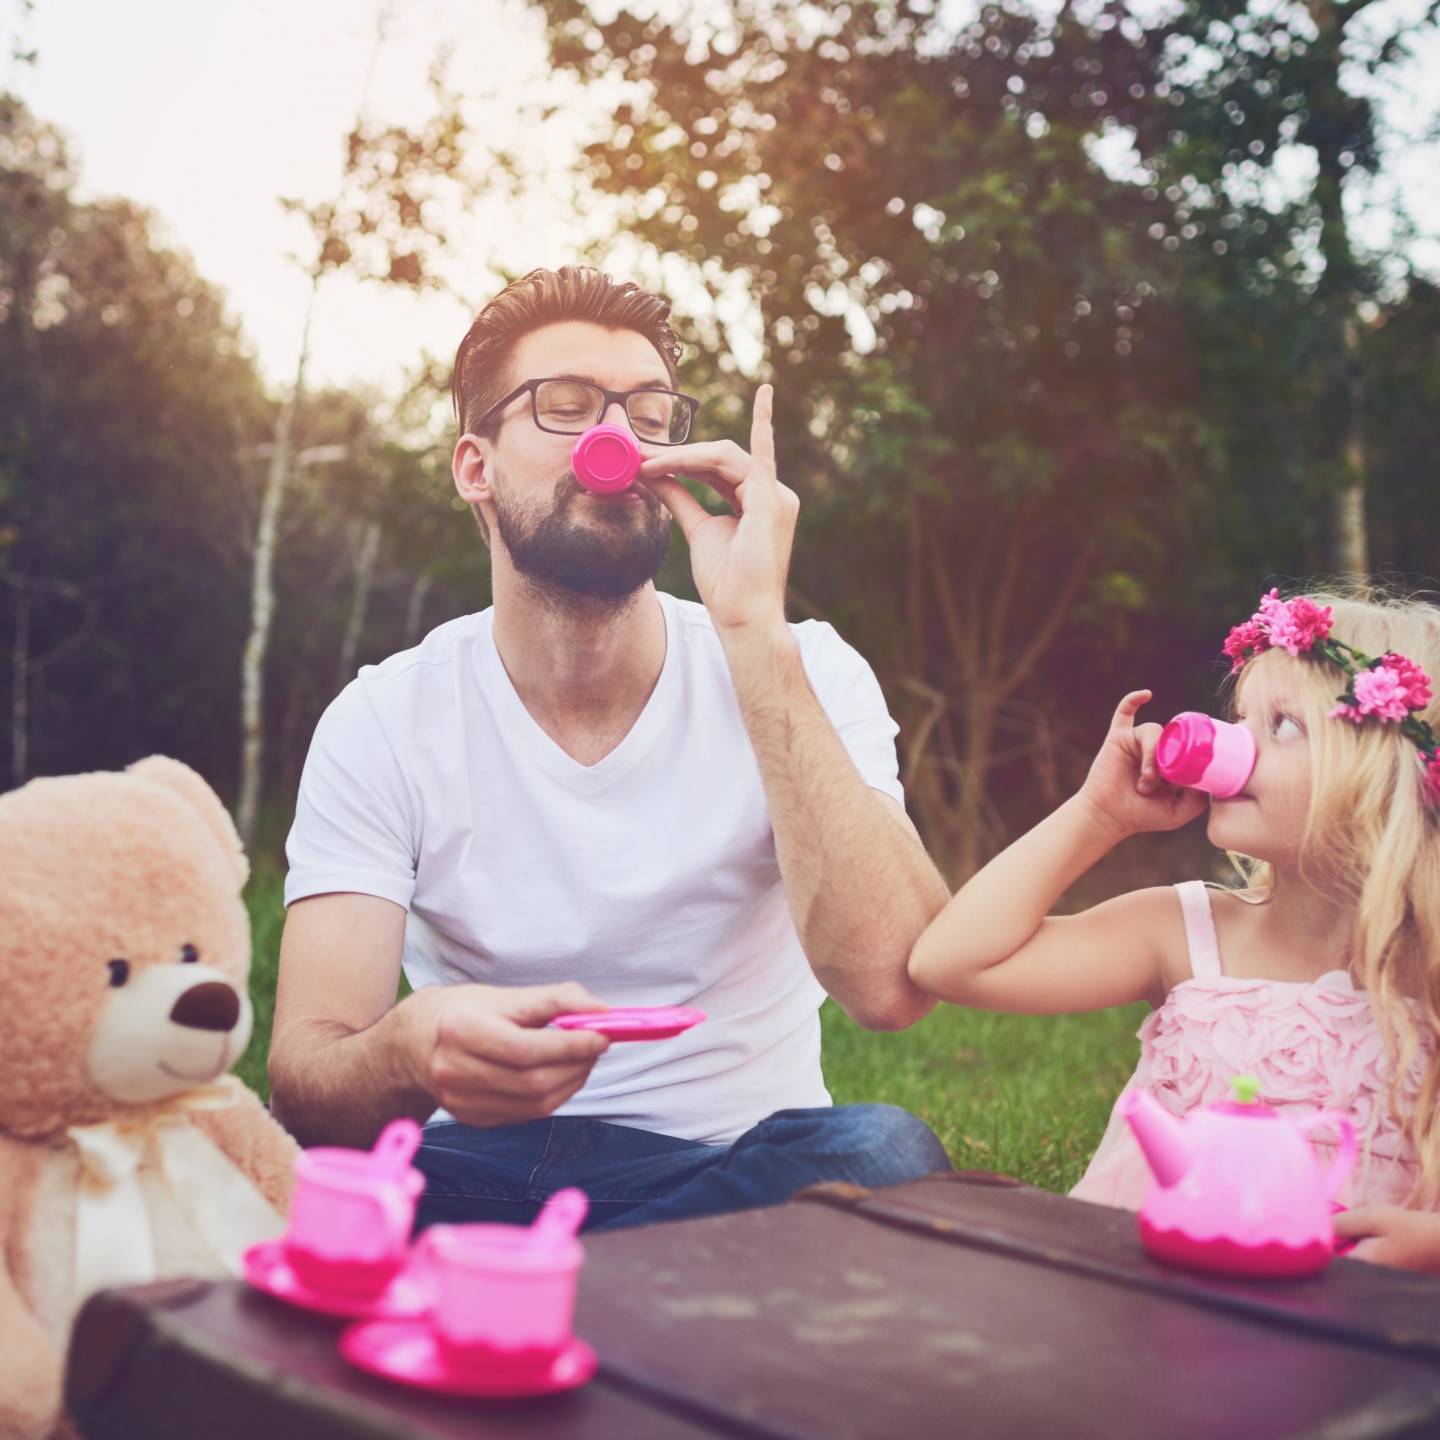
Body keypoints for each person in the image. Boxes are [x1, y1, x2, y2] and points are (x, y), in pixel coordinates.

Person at [269, 265, 952, 1231]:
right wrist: (407, 1051)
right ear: (475, 467)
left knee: (880, 1153)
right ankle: (640, 1288)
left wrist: (756, 636)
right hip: (471, 1165)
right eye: (566, 405)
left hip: (725, 1163)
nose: (619, 440)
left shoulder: (803, 667)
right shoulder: (382, 720)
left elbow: (891, 986)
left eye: (649, 413)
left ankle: (523, 1283)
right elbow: (306, 1080)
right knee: (264, 1167)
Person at [908, 588, 1440, 1218]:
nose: (1230, 742)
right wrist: (1098, 815)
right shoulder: (1184, 932)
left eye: (1283, 725)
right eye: (1239, 718)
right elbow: (947, 964)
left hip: (1350, 1285)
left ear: (1388, 779)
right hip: (1143, 1272)